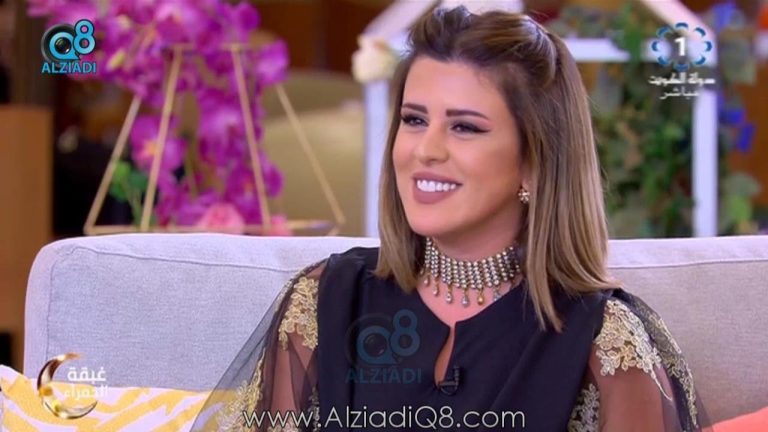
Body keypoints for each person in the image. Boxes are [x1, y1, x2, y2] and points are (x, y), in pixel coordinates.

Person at [192, 6, 711, 432]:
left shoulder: (602, 339)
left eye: (464, 127)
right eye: (414, 120)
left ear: (534, 162)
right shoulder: (325, 299)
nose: (425, 150)